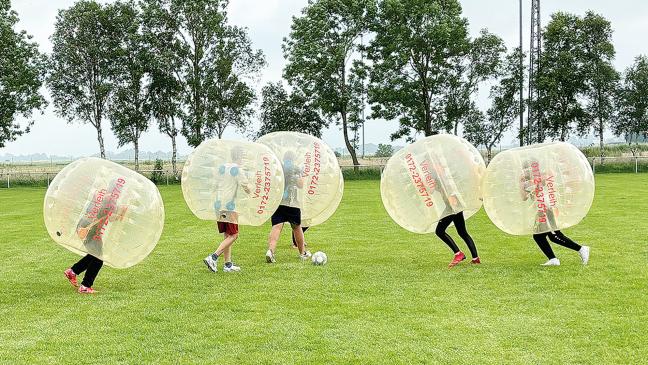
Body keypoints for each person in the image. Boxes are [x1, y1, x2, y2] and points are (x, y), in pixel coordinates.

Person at [519, 160, 590, 266]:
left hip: (547, 209)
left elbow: (548, 177)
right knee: (543, 236)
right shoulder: (528, 181)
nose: (524, 171)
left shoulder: (541, 177)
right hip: (541, 211)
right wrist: (521, 183)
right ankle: (554, 259)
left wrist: (533, 180)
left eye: (526, 169)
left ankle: (580, 249)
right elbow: (524, 197)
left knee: (551, 235)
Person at [64, 178, 127, 294]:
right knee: (98, 258)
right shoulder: (110, 199)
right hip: (90, 229)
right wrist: (122, 210)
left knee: (94, 255)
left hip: (86, 227)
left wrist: (119, 214)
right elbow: (112, 211)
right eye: (120, 189)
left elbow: (109, 217)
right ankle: (85, 286)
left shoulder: (101, 195)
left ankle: (72, 272)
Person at [204, 147, 250, 273]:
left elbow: (214, 185)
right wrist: (252, 192)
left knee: (227, 235)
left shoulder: (222, 167)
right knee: (234, 235)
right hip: (230, 207)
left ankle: (227, 265)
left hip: (218, 205)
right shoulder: (237, 170)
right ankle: (213, 257)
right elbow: (245, 186)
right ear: (239, 156)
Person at [428, 160, 481, 268]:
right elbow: (431, 190)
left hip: (452, 206)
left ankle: (458, 254)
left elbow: (449, 190)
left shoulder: (444, 176)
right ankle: (476, 259)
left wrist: (452, 205)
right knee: (462, 232)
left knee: (439, 231)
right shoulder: (438, 176)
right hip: (456, 205)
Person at [266, 151, 311, 263]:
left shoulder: (279, 168)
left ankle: (270, 251)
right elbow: (300, 185)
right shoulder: (295, 169)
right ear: (293, 158)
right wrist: (304, 176)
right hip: (292, 203)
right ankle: (302, 253)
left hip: (279, 202)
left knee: (276, 227)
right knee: (296, 227)